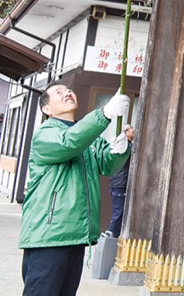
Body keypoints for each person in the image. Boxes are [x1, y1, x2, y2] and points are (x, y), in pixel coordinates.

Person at [19, 84, 134, 296]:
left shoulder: (86, 137)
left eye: (69, 90)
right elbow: (68, 143)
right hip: (50, 234)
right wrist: (105, 114)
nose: (67, 93)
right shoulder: (45, 134)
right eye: (59, 93)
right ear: (47, 110)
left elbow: (106, 165)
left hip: (76, 234)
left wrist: (121, 148)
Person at [107, 154, 130, 238]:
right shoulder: (124, 148)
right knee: (119, 214)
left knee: (118, 214)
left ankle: (111, 237)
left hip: (116, 184)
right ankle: (111, 239)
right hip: (120, 184)